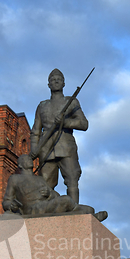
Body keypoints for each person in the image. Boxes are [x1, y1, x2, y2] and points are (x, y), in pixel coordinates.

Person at [30, 69, 88, 204]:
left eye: (59, 79)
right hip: (46, 149)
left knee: (72, 179)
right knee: (45, 184)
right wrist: (34, 149)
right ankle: (46, 210)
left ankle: (74, 209)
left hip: (66, 147)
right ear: (48, 85)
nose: (56, 81)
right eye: (52, 79)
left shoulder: (71, 102)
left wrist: (65, 122)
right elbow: (36, 131)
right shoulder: (42, 105)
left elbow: (84, 124)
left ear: (64, 84)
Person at [2, 154, 107, 221]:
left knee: (88, 209)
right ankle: (90, 216)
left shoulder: (40, 179)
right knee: (65, 200)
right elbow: (6, 201)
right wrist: (11, 206)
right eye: (25, 159)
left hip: (45, 206)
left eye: (29, 158)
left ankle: (90, 217)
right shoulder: (15, 179)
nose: (29, 160)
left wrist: (49, 194)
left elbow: (55, 196)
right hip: (32, 209)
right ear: (20, 165)